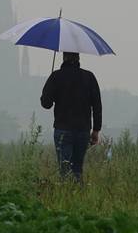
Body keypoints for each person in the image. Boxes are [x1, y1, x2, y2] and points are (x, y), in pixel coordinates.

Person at [40, 52, 102, 182]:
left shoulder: (56, 76)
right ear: (78, 58)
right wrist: (96, 130)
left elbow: (46, 104)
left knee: (65, 169)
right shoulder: (89, 77)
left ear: (64, 57)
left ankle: (67, 194)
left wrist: (47, 91)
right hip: (83, 130)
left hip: (63, 129)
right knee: (78, 169)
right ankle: (78, 195)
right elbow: (97, 105)